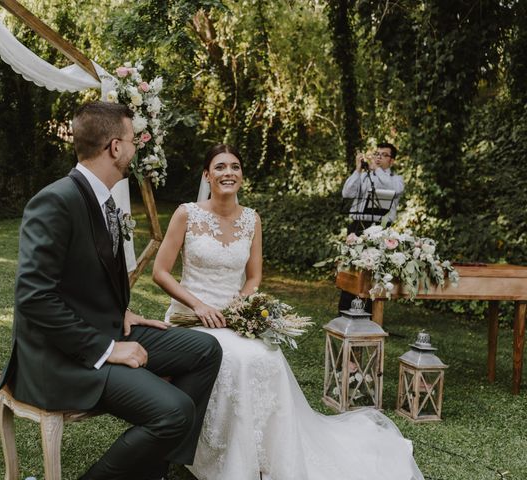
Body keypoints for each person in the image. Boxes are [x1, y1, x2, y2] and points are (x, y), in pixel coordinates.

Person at [153, 144, 423, 480]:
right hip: (191, 315)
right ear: (207, 175)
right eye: (220, 167)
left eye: (235, 167)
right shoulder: (187, 214)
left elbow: (254, 277)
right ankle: (217, 458)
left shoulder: (252, 219)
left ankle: (264, 454)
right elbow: (160, 271)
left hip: (234, 316)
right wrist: (198, 305)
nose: (228, 173)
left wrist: (243, 304)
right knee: (235, 360)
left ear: (242, 176)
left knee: (266, 358)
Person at [0, 101, 222, 480]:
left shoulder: (105, 200)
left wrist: (122, 312)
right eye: (133, 141)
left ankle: (153, 468)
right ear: (115, 148)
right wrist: (108, 348)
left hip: (107, 325)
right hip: (61, 358)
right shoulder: (56, 201)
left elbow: (88, 277)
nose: (136, 150)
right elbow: (34, 298)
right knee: (175, 410)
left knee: (205, 349)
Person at [339, 142, 404, 312]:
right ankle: (345, 309)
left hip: (380, 229)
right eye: (377, 154)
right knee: (352, 268)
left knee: (373, 269)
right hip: (357, 226)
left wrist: (378, 170)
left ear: (392, 160)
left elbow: (391, 189)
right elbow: (347, 193)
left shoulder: (396, 180)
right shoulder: (365, 175)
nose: (379, 157)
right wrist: (358, 170)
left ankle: (368, 313)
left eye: (384, 155)